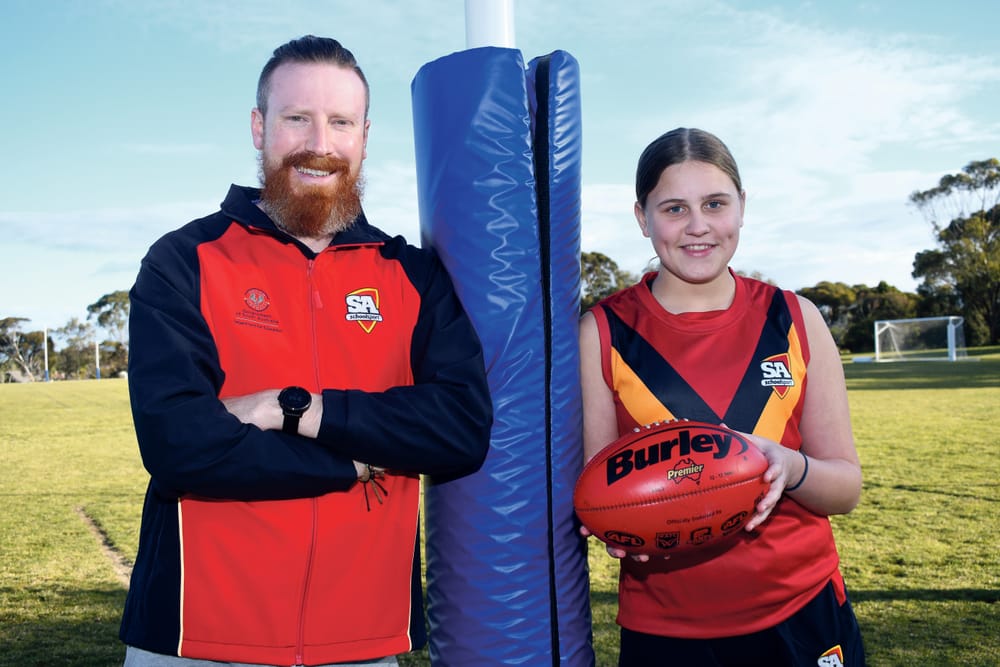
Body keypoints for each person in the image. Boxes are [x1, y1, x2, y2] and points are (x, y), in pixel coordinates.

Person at [120, 35, 492, 667]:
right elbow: (178, 444)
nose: (320, 142)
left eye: (341, 122)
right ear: (259, 126)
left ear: (364, 136)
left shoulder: (414, 276)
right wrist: (350, 466)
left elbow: (460, 430)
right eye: (297, 117)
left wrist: (290, 409)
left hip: (364, 640)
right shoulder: (184, 261)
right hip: (196, 636)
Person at [579, 127, 866, 665]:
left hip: (803, 612)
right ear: (642, 218)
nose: (698, 226)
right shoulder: (602, 332)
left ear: (741, 206)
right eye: (674, 209)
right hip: (668, 629)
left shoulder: (795, 318)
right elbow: (599, 489)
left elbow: (845, 488)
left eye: (715, 203)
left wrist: (790, 468)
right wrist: (617, 524)